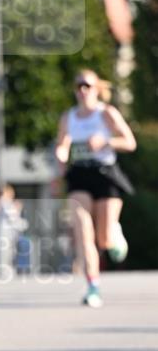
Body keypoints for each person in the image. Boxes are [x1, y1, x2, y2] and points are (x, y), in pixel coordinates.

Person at [55, 69, 136, 308]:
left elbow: (130, 142)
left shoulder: (106, 113)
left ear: (96, 89)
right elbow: (62, 143)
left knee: (104, 240)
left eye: (87, 86)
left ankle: (114, 232)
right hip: (79, 174)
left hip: (105, 174)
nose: (82, 90)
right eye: (78, 86)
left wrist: (105, 141)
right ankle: (92, 286)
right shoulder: (68, 117)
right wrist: (60, 157)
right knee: (82, 231)